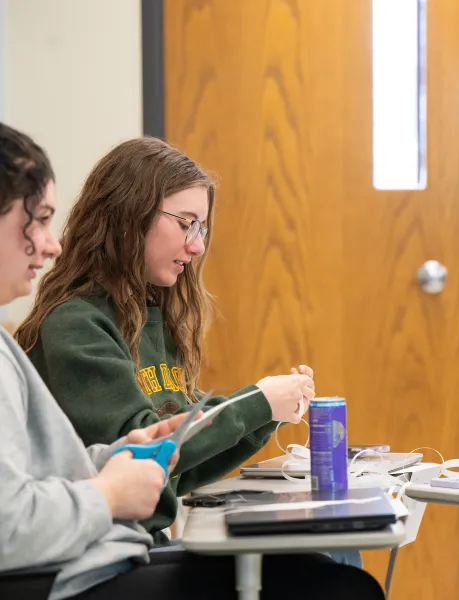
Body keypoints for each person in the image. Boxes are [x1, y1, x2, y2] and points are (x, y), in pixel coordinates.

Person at [0, 122, 384, 599]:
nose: (198, 245)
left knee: (331, 559)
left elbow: (164, 468)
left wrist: (262, 413)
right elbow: (18, 518)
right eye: (186, 224)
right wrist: (256, 404)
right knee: (336, 582)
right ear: (129, 216)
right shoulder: (75, 324)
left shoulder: (149, 316)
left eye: (201, 228)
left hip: (112, 545)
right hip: (83, 562)